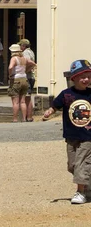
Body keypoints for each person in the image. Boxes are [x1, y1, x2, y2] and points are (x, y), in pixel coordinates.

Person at [43, 59, 91, 204]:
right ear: (74, 78)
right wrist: (49, 112)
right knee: (73, 166)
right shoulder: (66, 94)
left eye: (89, 76)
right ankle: (88, 186)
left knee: (82, 163)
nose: (86, 79)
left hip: (88, 136)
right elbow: (55, 106)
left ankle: (80, 192)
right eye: (82, 76)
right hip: (71, 136)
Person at [7, 43, 36, 122]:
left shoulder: (13, 58)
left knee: (15, 102)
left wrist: (10, 75)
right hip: (24, 78)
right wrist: (26, 70)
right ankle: (24, 118)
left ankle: (15, 119)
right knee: (22, 101)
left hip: (16, 79)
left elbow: (10, 67)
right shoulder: (24, 58)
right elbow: (33, 63)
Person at [19, 38, 36, 121]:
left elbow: (29, 62)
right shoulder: (31, 51)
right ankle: (29, 116)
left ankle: (28, 117)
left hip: (28, 77)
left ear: (23, 46)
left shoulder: (26, 53)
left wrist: (25, 71)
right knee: (27, 97)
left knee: (26, 98)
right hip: (31, 77)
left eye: (20, 45)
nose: (19, 47)